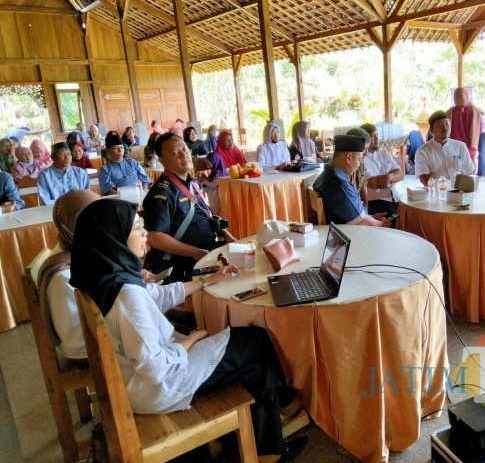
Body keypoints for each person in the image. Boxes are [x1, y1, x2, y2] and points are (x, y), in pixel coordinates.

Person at [69, 199, 308, 460]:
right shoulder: (126, 295)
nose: (145, 234)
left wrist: (208, 280)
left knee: (256, 368)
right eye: (137, 228)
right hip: (159, 387)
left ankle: (263, 449)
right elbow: (155, 368)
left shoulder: (104, 276)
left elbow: (157, 296)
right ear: (113, 238)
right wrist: (189, 342)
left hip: (144, 380)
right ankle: (288, 403)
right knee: (256, 337)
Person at [142, 133, 236, 282]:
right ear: (162, 161)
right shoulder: (161, 193)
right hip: (181, 266)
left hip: (207, 255)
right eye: (174, 152)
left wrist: (225, 234)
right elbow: (154, 237)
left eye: (184, 149)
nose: (183, 155)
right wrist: (195, 252)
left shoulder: (194, 183)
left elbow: (204, 214)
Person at [37, 190, 101, 360]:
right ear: (70, 226)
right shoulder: (63, 275)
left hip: (95, 336)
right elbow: (75, 342)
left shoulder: (80, 252)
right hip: (84, 351)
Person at [313, 135, 391, 227]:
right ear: (349, 157)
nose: (359, 165)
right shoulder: (339, 184)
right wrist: (383, 224)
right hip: (351, 235)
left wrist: (370, 217)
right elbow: (363, 223)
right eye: (359, 159)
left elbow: (359, 218)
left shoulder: (325, 175)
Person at [414, 110, 474, 186]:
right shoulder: (423, 151)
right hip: (437, 191)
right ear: (432, 130)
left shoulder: (460, 146)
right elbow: (423, 178)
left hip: (458, 190)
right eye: (439, 125)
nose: (445, 127)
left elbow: (469, 171)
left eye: (447, 124)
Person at [359, 123, 404, 216]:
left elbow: (401, 174)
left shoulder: (384, 153)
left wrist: (389, 176)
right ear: (365, 141)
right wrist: (392, 176)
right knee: (397, 219)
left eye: (377, 135)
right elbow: (374, 183)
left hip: (395, 198)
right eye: (372, 136)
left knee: (412, 213)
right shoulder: (361, 159)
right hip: (376, 202)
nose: (376, 138)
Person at [446, 86, 483, 170]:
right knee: (469, 172)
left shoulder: (449, 112)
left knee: (456, 170)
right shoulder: (474, 110)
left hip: (454, 148)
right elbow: (479, 129)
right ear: (466, 95)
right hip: (470, 147)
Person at [346, 128, 370, 208]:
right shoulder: (342, 170)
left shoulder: (360, 163)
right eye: (364, 149)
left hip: (359, 211)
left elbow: (363, 188)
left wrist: (367, 213)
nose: (366, 153)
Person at [198, 151, 225, 215]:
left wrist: (203, 181)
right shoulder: (214, 171)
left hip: (216, 195)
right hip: (213, 194)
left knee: (215, 212)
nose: (206, 165)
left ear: (214, 162)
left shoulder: (219, 173)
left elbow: (213, 185)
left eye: (208, 163)